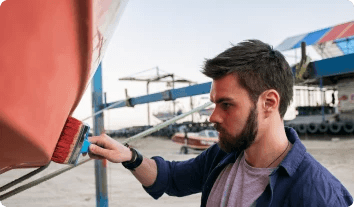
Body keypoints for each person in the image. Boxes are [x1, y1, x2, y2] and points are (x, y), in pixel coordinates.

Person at [87, 40, 353, 207]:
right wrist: (129, 157)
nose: (213, 116)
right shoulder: (223, 156)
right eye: (213, 104)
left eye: (226, 105)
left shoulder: (318, 195)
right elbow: (171, 178)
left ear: (269, 103)